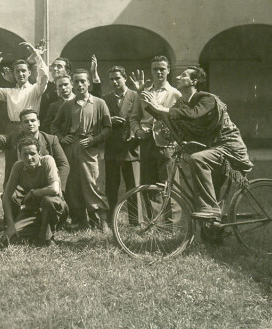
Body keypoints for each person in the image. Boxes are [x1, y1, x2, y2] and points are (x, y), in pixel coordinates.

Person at [141, 66, 253, 223]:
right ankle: (213, 234)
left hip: (230, 147)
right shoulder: (182, 102)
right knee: (207, 194)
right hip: (213, 149)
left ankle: (210, 210)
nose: (178, 77)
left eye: (184, 75)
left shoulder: (207, 99)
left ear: (194, 81)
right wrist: (148, 102)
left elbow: (193, 115)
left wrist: (162, 109)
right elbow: (166, 117)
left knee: (197, 159)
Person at [52, 69, 112, 230]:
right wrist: (62, 138)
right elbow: (55, 125)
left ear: (89, 84)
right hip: (71, 148)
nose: (79, 85)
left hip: (90, 149)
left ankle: (101, 220)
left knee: (93, 183)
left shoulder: (99, 103)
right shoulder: (67, 105)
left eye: (82, 81)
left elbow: (108, 128)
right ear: (72, 84)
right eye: (76, 82)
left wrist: (94, 139)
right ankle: (80, 220)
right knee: (73, 184)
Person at [0, 108, 69, 191]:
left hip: (44, 185)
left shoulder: (51, 140)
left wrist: (57, 186)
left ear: (39, 123)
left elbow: (63, 164)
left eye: (33, 120)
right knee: (11, 198)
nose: (30, 124)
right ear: (21, 125)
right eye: (26, 122)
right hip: (19, 186)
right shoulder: (13, 138)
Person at [2, 136, 67, 246]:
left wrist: (33, 193)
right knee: (10, 238)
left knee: (48, 201)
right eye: (25, 154)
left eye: (32, 153)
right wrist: (11, 225)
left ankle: (46, 237)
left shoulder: (47, 161)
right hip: (33, 210)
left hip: (55, 208)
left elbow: (54, 189)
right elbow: (6, 196)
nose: (29, 158)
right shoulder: (18, 167)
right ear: (20, 155)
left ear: (39, 153)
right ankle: (39, 229)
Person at [130, 56, 182, 189]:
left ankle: (172, 211)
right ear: (151, 71)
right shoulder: (143, 93)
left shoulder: (176, 94)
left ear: (168, 70)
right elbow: (134, 117)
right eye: (155, 69)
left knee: (169, 186)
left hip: (167, 145)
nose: (159, 72)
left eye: (162, 69)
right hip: (147, 144)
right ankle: (152, 211)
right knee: (147, 185)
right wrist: (137, 131)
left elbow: (180, 120)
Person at [0, 42, 50, 136]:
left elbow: (44, 75)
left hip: (29, 127)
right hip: (11, 128)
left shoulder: (36, 89)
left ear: (29, 73)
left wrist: (35, 54)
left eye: (23, 71)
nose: (20, 74)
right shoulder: (9, 92)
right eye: (17, 71)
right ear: (14, 74)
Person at [102, 66, 139, 222]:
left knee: (133, 186)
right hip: (112, 148)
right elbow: (101, 121)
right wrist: (110, 120)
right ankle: (111, 219)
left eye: (117, 78)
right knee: (111, 186)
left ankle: (135, 220)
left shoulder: (135, 96)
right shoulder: (106, 99)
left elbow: (141, 118)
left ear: (125, 78)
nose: (115, 82)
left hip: (130, 147)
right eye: (111, 79)